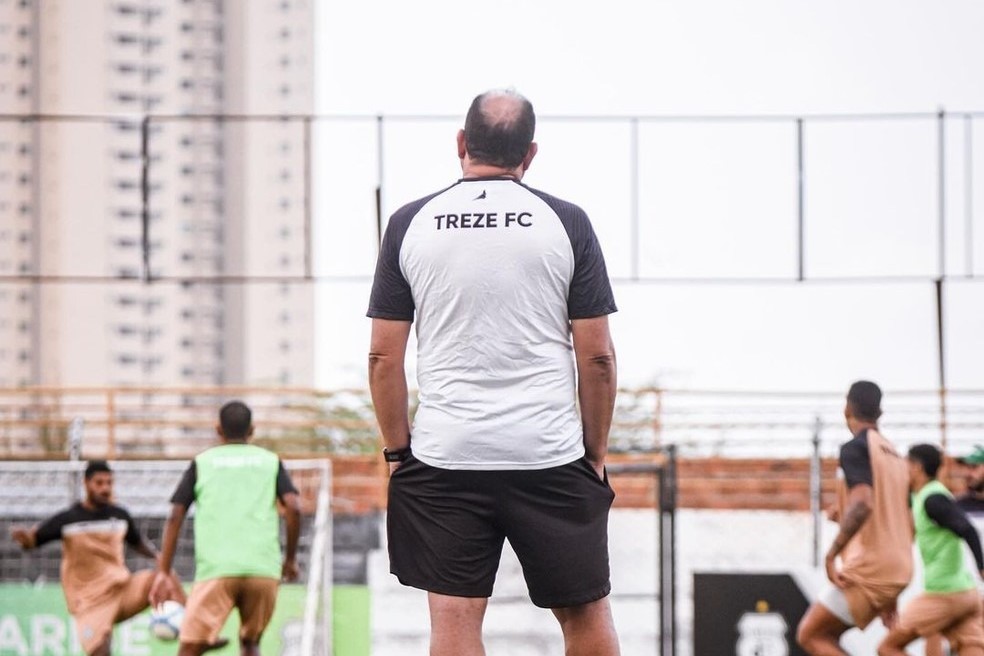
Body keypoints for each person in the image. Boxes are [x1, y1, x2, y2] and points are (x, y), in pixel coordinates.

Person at [367, 88, 620, 656]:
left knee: (454, 623)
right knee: (584, 614)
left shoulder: (410, 222)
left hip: (445, 453)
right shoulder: (567, 222)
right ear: (530, 154)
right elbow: (598, 357)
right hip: (550, 452)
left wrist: (396, 453)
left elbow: (384, 357)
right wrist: (595, 456)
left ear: (461, 143)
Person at [149, 400, 302, 656]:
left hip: (217, 571)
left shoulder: (203, 462)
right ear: (252, 429)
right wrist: (290, 560)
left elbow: (176, 515)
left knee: (189, 648)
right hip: (262, 569)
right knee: (250, 642)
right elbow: (294, 507)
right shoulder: (270, 461)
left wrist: (164, 571)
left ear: (218, 429)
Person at [9, 460, 193, 656]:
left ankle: (196, 632)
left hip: (122, 591)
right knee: (100, 651)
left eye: (109, 483)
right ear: (86, 483)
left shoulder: (119, 515)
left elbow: (137, 542)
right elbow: (33, 540)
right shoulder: (68, 519)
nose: (105, 488)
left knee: (165, 577)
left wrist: (160, 560)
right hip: (90, 602)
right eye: (99, 483)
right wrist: (25, 539)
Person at [797, 380, 913, 655]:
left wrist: (831, 554)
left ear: (847, 407)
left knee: (811, 634)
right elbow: (900, 516)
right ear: (879, 412)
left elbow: (863, 504)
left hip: (870, 567)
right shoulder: (895, 454)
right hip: (899, 565)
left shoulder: (855, 448)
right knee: (828, 634)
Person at [878, 444, 984, 655]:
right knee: (970, 648)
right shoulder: (928, 496)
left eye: (906, 465)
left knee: (888, 647)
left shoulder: (933, 499)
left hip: (944, 593)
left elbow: (968, 530)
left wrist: (982, 568)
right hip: (965, 594)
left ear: (916, 467)